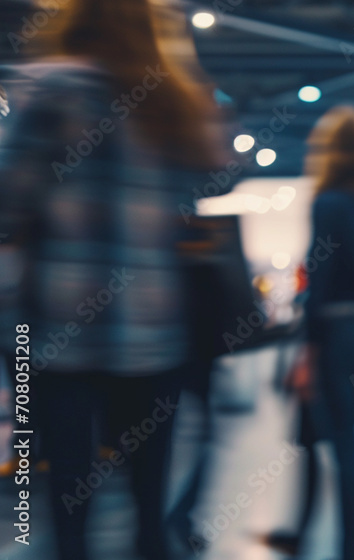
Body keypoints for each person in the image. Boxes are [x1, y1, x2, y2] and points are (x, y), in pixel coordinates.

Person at [0, 2, 228, 559]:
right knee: (149, 511)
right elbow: (202, 195)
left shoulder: (52, 88)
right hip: (155, 336)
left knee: (66, 507)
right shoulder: (173, 101)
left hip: (57, 337)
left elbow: (7, 203)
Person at [286, 106, 354, 560]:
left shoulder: (327, 204)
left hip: (334, 335)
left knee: (344, 447)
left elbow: (320, 280)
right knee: (317, 434)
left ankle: (353, 551)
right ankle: (303, 530)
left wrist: (307, 354)